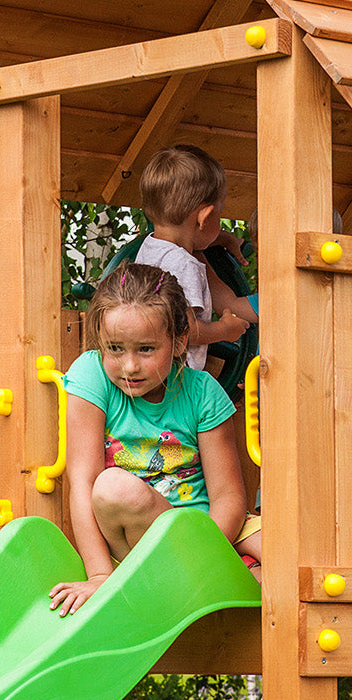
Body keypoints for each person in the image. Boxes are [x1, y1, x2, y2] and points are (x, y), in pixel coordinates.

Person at [48, 263, 262, 616]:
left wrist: (207, 549)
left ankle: (216, 573)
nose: (129, 366)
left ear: (179, 342)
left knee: (287, 552)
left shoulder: (202, 392)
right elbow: (83, 482)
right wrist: (100, 575)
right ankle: (222, 573)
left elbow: (228, 496)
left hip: (204, 529)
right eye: (115, 349)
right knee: (113, 487)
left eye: (145, 349)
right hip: (138, 537)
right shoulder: (91, 375)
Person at [134, 144, 255, 372]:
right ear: (205, 217)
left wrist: (223, 238)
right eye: (220, 213)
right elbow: (185, 331)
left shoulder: (151, 247)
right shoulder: (183, 264)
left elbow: (193, 237)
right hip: (178, 376)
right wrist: (225, 330)